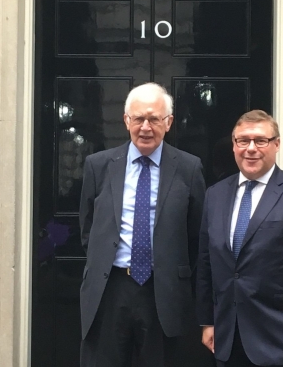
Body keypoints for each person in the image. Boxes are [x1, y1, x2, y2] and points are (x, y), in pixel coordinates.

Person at [79, 82, 206, 367]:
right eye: (138, 119)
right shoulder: (98, 166)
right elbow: (87, 228)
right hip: (110, 289)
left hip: (162, 291)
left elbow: (197, 233)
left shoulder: (189, 168)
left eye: (154, 119)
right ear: (127, 121)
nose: (145, 127)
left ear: (169, 122)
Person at [196, 110, 283, 367]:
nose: (251, 149)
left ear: (276, 144)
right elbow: (206, 263)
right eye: (243, 141)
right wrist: (208, 321)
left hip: (281, 338)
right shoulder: (214, 196)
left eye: (260, 141)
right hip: (228, 336)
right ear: (234, 145)